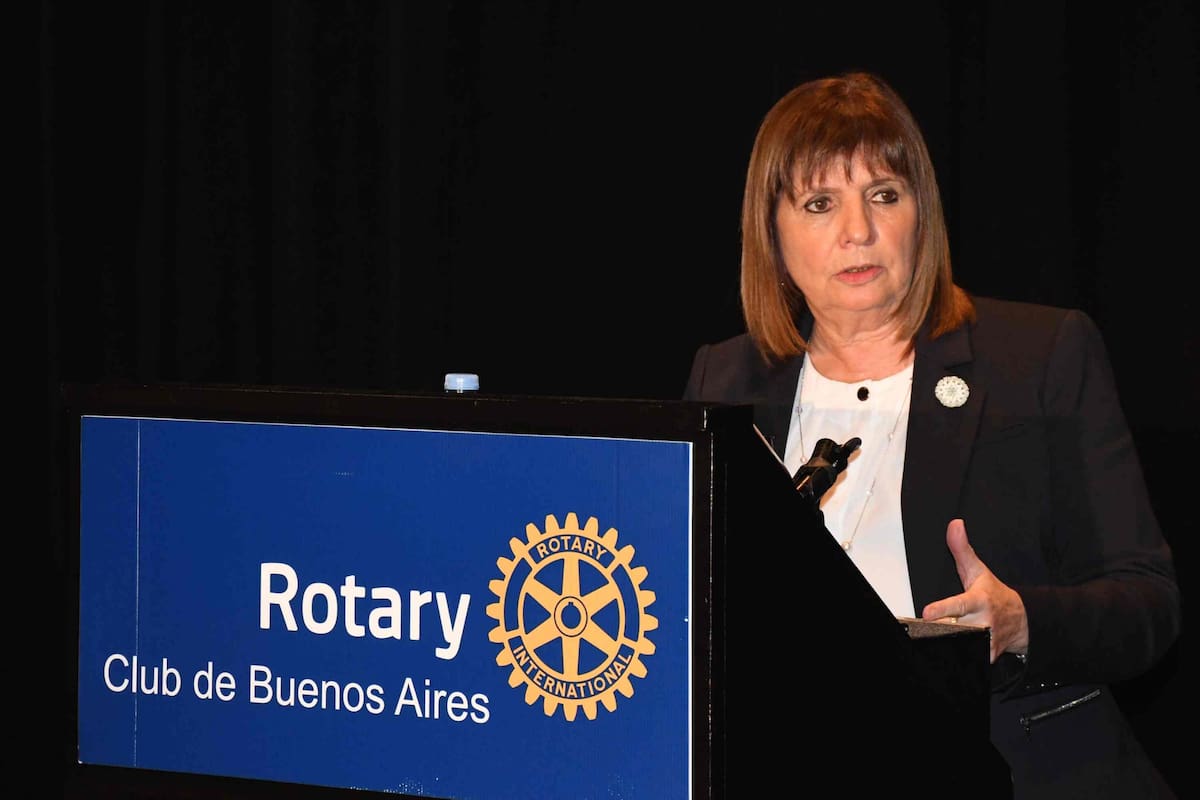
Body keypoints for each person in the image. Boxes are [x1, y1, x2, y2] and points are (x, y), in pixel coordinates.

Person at [683, 71, 1181, 799]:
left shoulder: (1037, 357)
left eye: (884, 194)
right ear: (771, 232)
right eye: (821, 203)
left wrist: (1020, 622)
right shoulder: (726, 379)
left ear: (922, 212)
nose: (859, 230)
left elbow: (1149, 604)